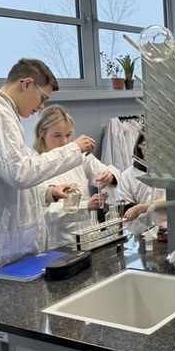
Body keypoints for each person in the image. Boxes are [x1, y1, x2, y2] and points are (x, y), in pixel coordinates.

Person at [0, 59, 95, 351]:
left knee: (3, 335)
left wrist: (49, 192)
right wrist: (74, 151)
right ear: (26, 83)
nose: (40, 107)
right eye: (41, 98)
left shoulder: (6, 115)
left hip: (13, 250)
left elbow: (12, 178)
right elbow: (19, 173)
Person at [33, 105, 121, 249]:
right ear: (41, 132)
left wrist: (110, 176)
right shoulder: (36, 167)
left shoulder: (80, 157)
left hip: (89, 236)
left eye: (68, 135)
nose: (65, 141)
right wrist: (85, 206)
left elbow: (110, 172)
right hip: (61, 243)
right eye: (57, 135)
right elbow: (47, 212)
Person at [118, 132, 165, 234]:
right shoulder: (128, 175)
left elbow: (171, 199)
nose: (149, 150)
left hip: (167, 229)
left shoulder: (170, 172)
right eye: (144, 145)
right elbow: (126, 207)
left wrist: (141, 208)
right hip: (139, 232)